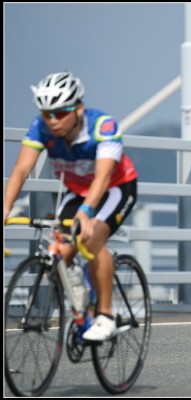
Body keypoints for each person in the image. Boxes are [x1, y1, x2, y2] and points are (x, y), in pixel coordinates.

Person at [3, 71, 138, 341]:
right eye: (47, 113)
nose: (53, 120)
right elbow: (21, 170)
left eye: (61, 113)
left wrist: (86, 212)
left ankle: (105, 315)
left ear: (78, 109)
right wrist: (6, 208)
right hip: (77, 191)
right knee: (60, 255)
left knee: (91, 237)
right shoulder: (40, 128)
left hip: (114, 188)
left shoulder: (102, 126)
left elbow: (103, 177)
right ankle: (82, 308)